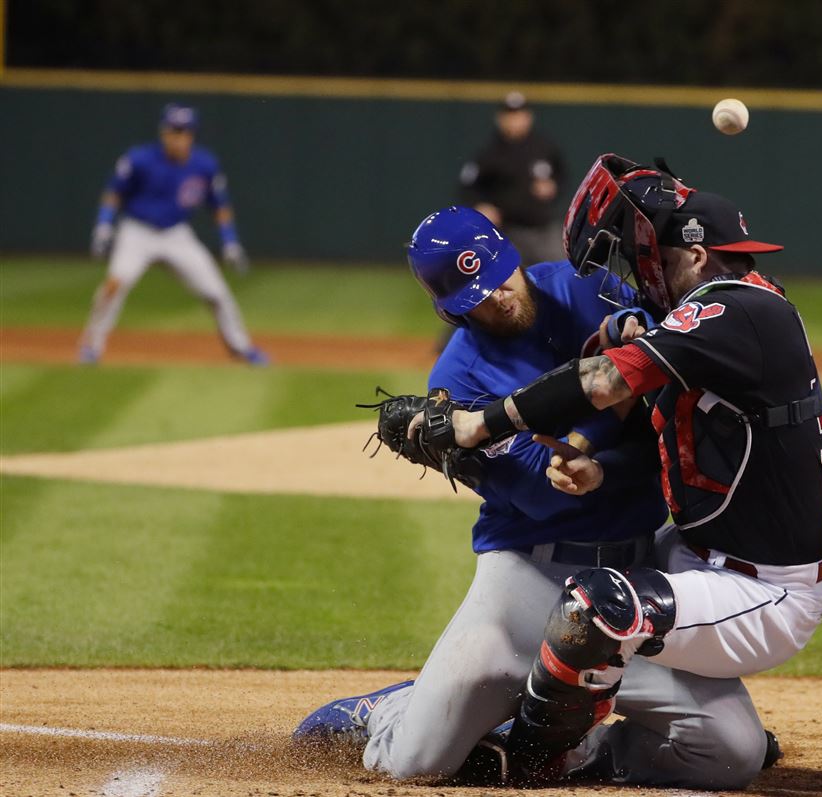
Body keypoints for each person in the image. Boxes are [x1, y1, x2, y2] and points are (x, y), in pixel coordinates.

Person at [293, 206, 778, 789]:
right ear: (448, 308)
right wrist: (608, 428)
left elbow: (663, 421)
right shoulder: (459, 382)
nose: (496, 297)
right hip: (525, 589)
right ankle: (393, 708)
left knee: (732, 754)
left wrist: (596, 451)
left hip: (636, 583)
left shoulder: (591, 289)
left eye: (499, 277)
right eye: (476, 296)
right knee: (418, 764)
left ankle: (583, 747)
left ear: (510, 253)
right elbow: (548, 496)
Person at [431, 155, 822, 782]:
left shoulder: (738, 310)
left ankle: (533, 755)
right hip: (695, 553)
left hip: (762, 589)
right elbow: (660, 435)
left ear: (699, 257)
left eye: (661, 256)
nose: (646, 277)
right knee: (607, 608)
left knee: (601, 609)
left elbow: (605, 378)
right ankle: (522, 706)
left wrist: (479, 424)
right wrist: (605, 471)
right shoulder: (723, 314)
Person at [78, 103, 267, 365]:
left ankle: (242, 347)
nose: (177, 137)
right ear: (163, 132)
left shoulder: (205, 165)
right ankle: (91, 345)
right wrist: (104, 225)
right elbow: (114, 193)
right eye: (172, 131)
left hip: (176, 234)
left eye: (183, 131)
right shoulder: (139, 159)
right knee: (115, 284)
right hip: (137, 231)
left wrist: (230, 242)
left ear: (192, 135)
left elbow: (219, 207)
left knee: (216, 292)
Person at [457, 91, 566, 266]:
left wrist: (554, 186)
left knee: (562, 276)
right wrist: (481, 205)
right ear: (500, 119)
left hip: (545, 229)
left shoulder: (544, 147)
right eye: (510, 115)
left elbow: (562, 176)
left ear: (529, 117)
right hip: (509, 231)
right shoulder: (489, 153)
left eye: (519, 115)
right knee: (512, 284)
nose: (515, 120)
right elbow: (467, 186)